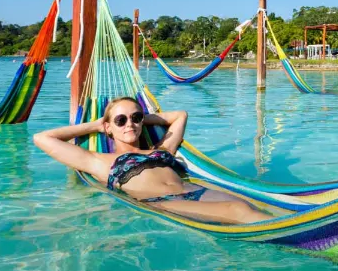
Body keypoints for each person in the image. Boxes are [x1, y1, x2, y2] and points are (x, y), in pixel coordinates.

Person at [33, 96, 272, 225]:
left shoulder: (161, 148)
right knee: (238, 210)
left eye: (136, 117)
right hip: (161, 201)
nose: (130, 124)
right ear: (108, 127)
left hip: (195, 190)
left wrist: (140, 119)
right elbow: (42, 138)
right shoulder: (99, 161)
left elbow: (180, 116)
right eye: (121, 120)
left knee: (257, 206)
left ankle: (301, 234)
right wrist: (96, 124)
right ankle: (306, 243)